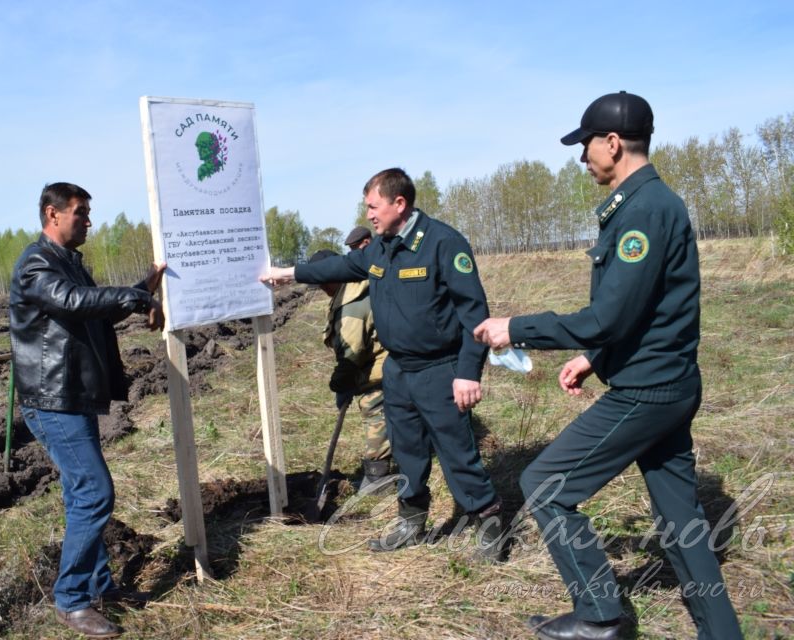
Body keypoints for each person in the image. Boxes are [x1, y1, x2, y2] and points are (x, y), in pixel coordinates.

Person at [474, 92, 743, 640]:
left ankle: (600, 616)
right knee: (682, 525)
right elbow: (647, 310)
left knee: (545, 483)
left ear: (613, 143)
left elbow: (608, 316)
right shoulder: (651, 203)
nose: (582, 158)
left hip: (647, 391)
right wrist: (593, 359)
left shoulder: (643, 210)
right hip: (668, 382)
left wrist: (516, 327)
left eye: (587, 145)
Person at [261, 168, 503, 558]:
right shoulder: (381, 246)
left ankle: (488, 523)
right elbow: (339, 266)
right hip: (397, 371)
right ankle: (411, 520)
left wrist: (468, 373)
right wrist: (290, 274)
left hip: (439, 369)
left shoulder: (443, 244)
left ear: (399, 203)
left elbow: (476, 315)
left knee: (457, 451)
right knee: (407, 451)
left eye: (373, 206)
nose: (369, 215)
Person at [10, 182, 166, 638]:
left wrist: (142, 288)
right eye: (80, 212)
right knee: (95, 492)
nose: (88, 221)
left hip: (73, 396)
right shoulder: (36, 264)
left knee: (83, 494)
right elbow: (71, 302)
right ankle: (72, 600)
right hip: (52, 401)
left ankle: (99, 586)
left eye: (88, 213)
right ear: (51, 214)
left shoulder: (70, 265)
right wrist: (135, 298)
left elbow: (94, 312)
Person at [307, 248, 394, 492]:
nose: (322, 290)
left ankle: (378, 478)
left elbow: (351, 354)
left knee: (375, 412)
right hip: (381, 363)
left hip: (382, 369)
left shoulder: (352, 305)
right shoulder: (353, 289)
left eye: (323, 283)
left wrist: (341, 383)